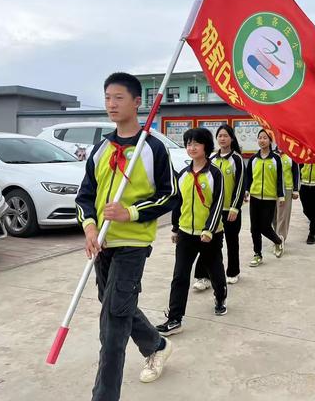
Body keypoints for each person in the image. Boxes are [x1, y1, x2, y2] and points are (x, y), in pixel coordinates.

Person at [75, 73, 178, 400]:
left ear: (137, 102)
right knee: (116, 306)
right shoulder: (101, 148)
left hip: (133, 245)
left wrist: (130, 212)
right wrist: (90, 227)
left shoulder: (153, 149)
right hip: (102, 246)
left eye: (119, 97)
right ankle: (157, 345)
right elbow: (85, 196)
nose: (111, 104)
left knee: (113, 326)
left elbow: (170, 195)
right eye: (107, 97)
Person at [157, 128, 227, 337]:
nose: (191, 147)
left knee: (215, 270)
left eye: (196, 143)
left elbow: (218, 203)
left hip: (210, 234)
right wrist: (176, 228)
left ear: (206, 146)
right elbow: (178, 204)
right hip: (186, 233)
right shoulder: (183, 175)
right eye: (188, 143)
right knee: (179, 276)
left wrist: (209, 229)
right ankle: (175, 319)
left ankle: (220, 297)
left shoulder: (215, 174)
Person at [192, 124, 245, 288]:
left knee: (231, 241)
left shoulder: (237, 159)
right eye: (220, 136)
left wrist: (235, 207)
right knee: (207, 242)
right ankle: (203, 277)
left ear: (231, 138)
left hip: (230, 211)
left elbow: (241, 185)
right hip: (213, 210)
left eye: (225, 136)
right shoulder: (212, 159)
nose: (222, 139)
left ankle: (233, 272)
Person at [245, 129, 285, 267]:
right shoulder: (253, 159)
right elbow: (248, 177)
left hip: (269, 198)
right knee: (254, 228)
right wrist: (246, 190)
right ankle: (257, 254)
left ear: (270, 141)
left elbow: (280, 179)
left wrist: (281, 196)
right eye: (260, 138)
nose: (262, 140)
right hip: (255, 196)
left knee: (265, 226)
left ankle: (278, 241)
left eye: (265, 138)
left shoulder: (276, 159)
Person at [274, 149, 300, 241]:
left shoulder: (291, 155)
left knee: (283, 215)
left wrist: (296, 190)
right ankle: (275, 234)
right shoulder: (273, 154)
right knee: (274, 214)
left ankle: (280, 238)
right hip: (272, 188)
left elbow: (296, 172)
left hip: (287, 188)